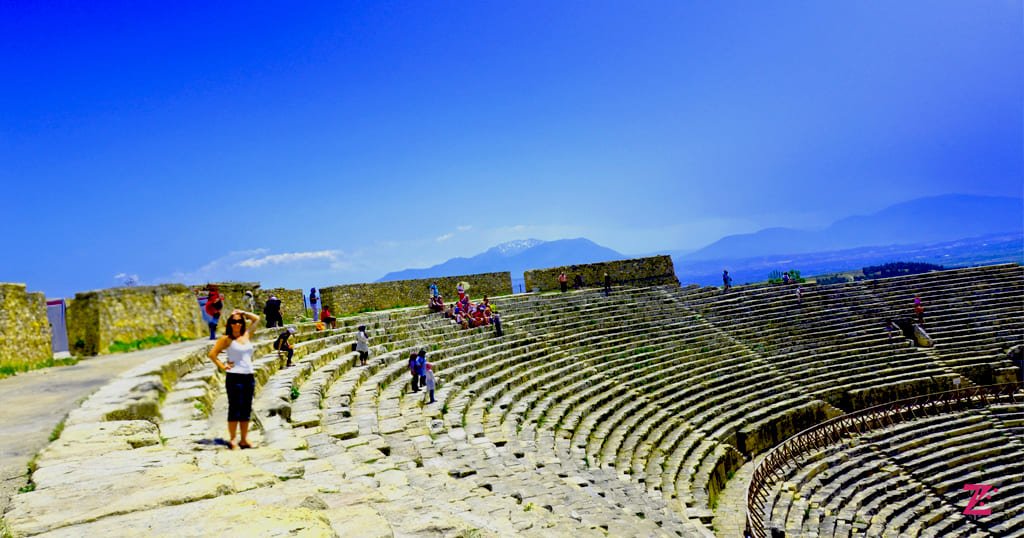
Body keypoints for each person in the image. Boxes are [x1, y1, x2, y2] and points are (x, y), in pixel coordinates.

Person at [208, 309, 260, 449]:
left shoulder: (246, 335)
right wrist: (223, 366)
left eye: (238, 321)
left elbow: (256, 319)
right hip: (234, 377)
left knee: (246, 408)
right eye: (233, 321)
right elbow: (212, 354)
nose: (236, 324)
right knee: (235, 409)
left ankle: (244, 439)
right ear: (229, 323)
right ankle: (232, 439)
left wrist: (242, 312)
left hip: (249, 376)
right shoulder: (226, 339)